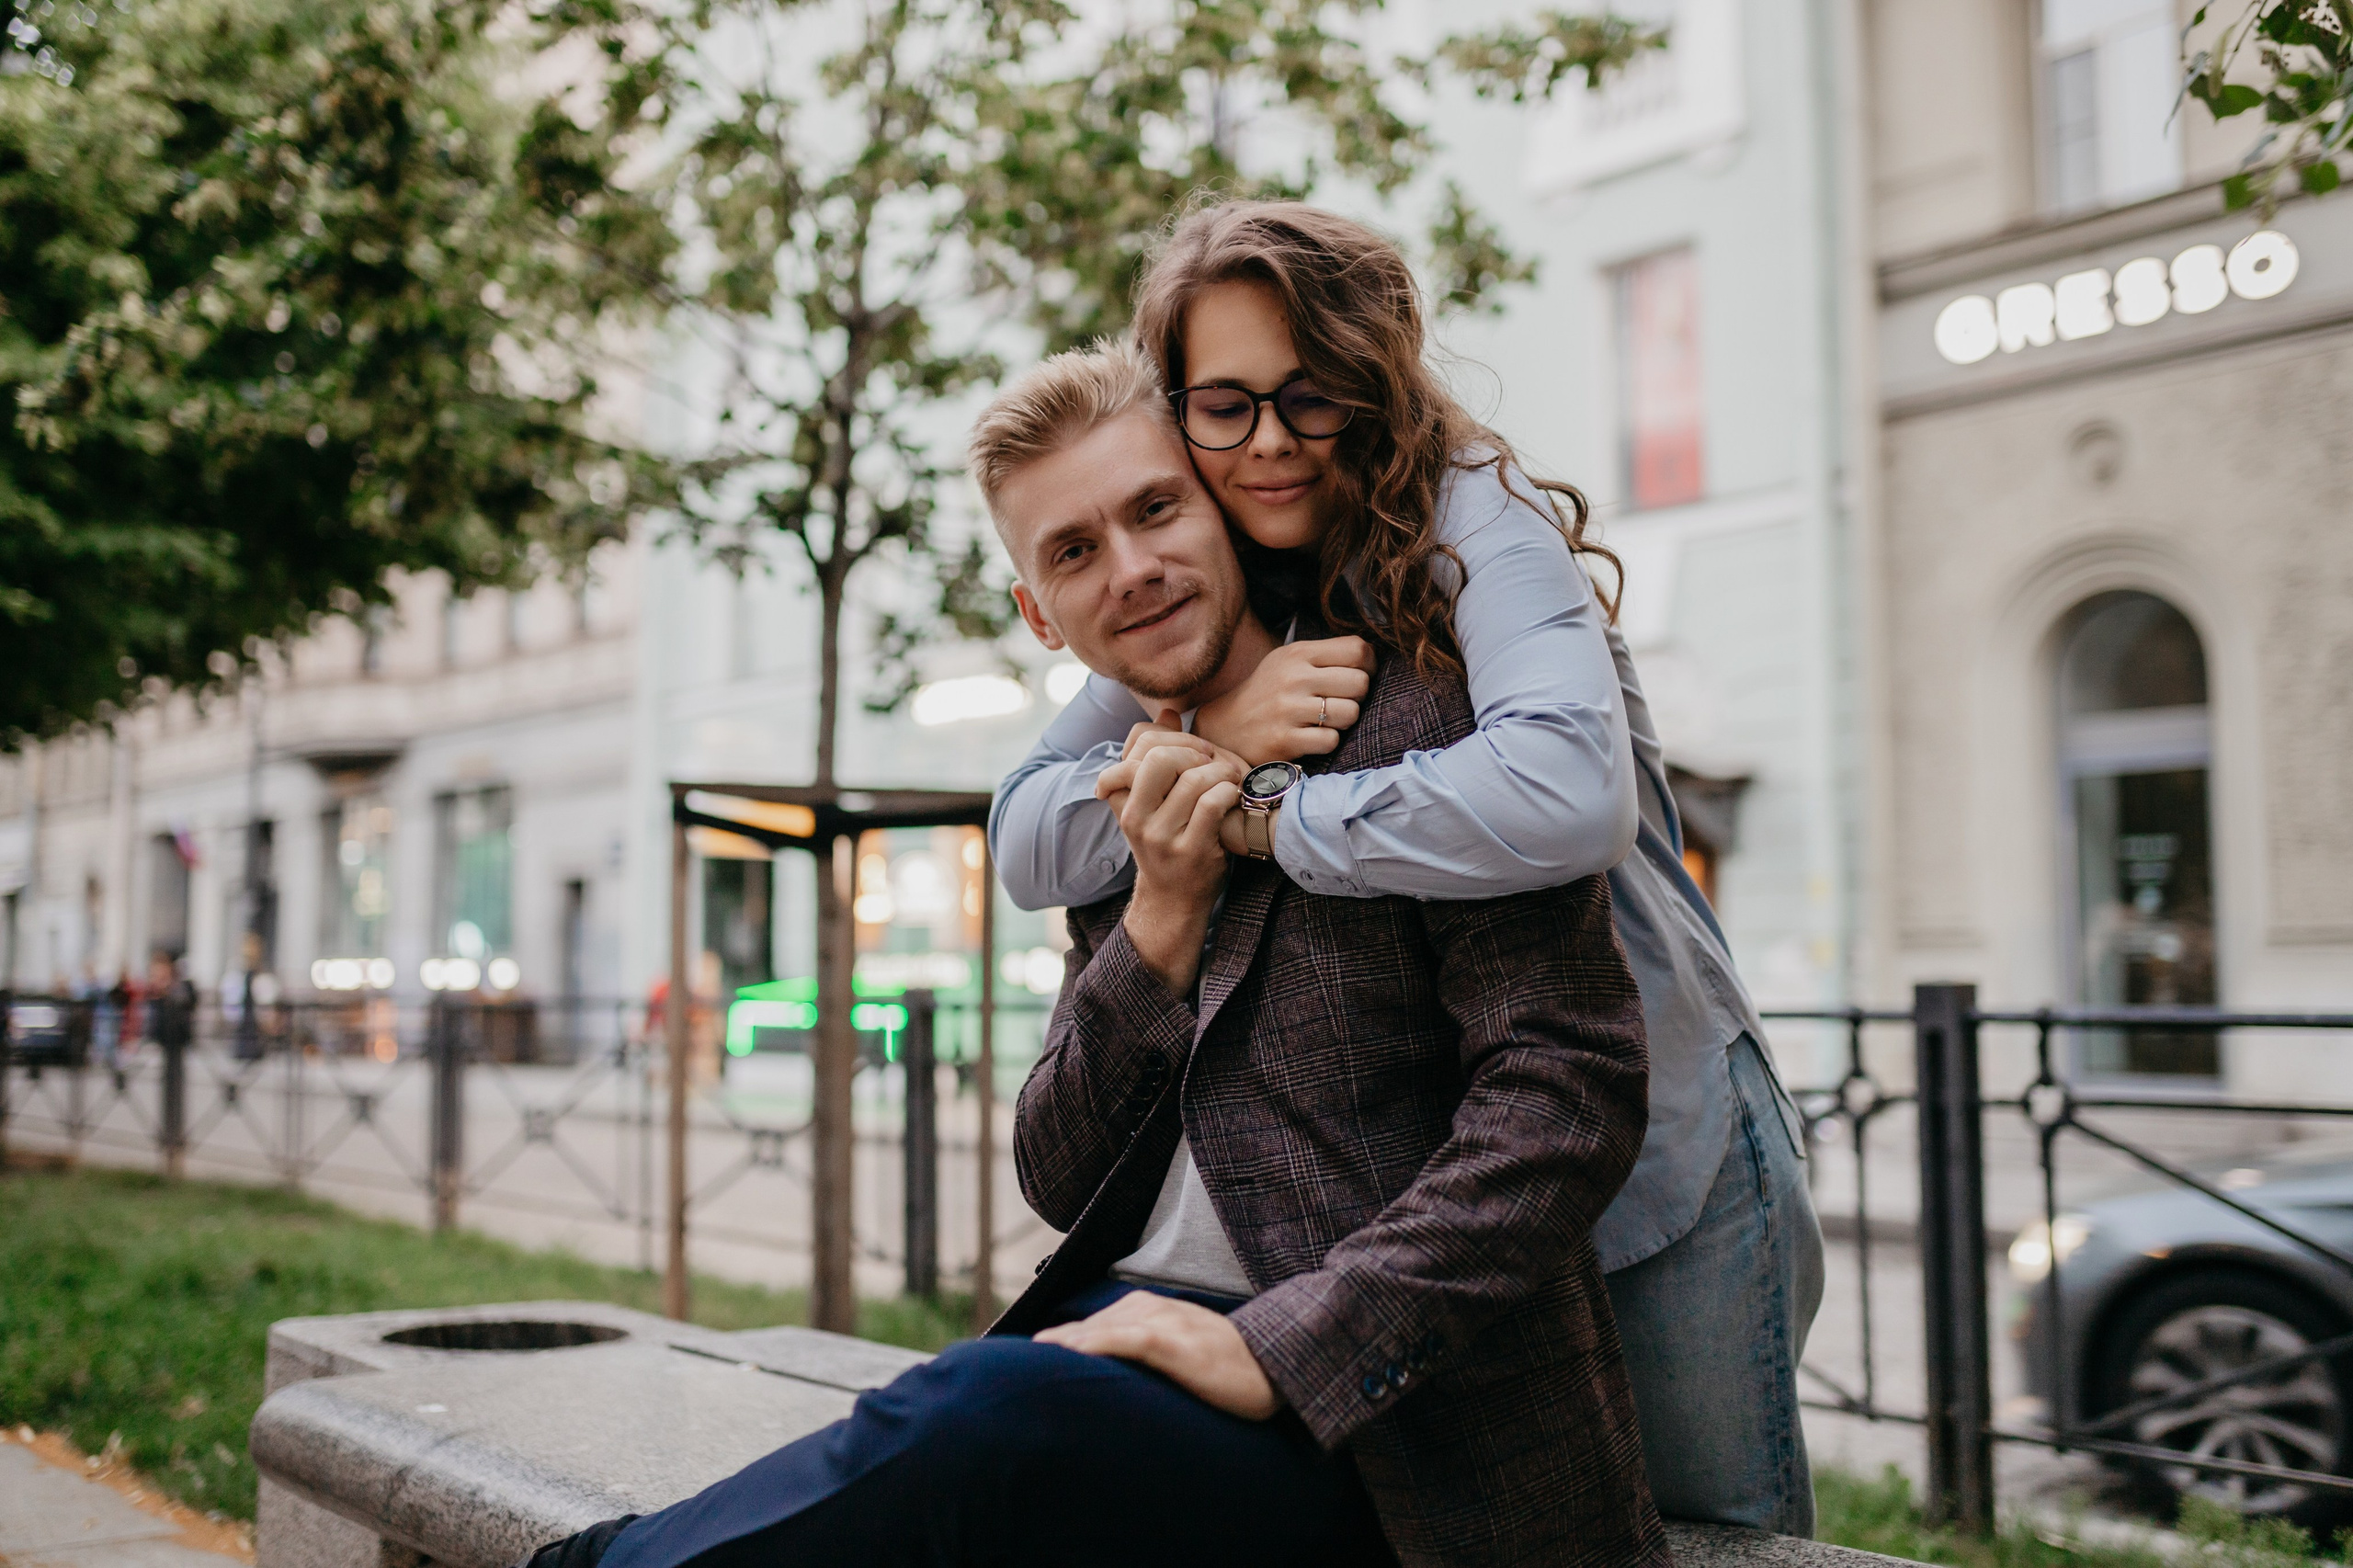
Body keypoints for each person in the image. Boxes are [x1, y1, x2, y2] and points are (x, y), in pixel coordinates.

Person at [524, 344, 1665, 1568]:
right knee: (963, 1432)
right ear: (1038, 612)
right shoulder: (1118, 789)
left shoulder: (1427, 715)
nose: (1132, 569)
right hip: (1122, 1347)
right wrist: (1160, 919)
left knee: (981, 1419)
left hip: (1386, 1424)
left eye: (1156, 509)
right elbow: (1059, 1170)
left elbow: (1568, 1097)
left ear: (1224, 511)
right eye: (1073, 551)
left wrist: (1278, 1344)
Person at [991, 199, 1824, 1535]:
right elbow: (1032, 832)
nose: (1267, 439)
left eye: (1307, 395)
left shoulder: (1472, 514)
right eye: (1225, 404)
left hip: (1658, 1130)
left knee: (1720, 1526)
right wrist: (1213, 735)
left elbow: (1563, 797)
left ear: (1369, 378)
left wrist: (1258, 807)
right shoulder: (1218, 562)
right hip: (1476, 1184)